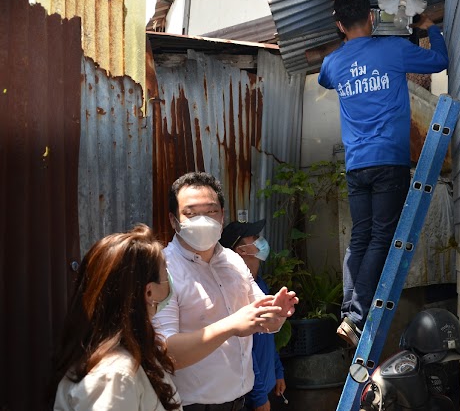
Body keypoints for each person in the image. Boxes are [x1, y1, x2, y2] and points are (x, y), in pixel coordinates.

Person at [318, 0, 449, 346]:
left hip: (356, 164)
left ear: (340, 25)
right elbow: (438, 61)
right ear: (372, 18)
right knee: (380, 237)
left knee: (360, 237)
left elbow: (324, 78)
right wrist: (429, 26)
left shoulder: (333, 63)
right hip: (389, 160)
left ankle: (350, 313)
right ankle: (357, 315)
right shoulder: (391, 51)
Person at [154, 172, 298, 411]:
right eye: (190, 213)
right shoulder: (163, 268)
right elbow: (165, 353)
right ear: (173, 220)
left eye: (211, 212)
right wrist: (231, 325)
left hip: (241, 401)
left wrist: (278, 313)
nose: (203, 220)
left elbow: (264, 321)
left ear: (221, 216)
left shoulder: (232, 259)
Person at [51, 224, 181, 410]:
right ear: (149, 292)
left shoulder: (127, 356)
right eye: (165, 273)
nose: (170, 280)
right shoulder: (115, 375)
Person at [221, 219, 286, 411]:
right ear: (241, 250)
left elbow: (267, 334)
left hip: (265, 387)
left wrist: (277, 371)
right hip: (249, 398)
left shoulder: (259, 284)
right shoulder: (236, 292)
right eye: (255, 237)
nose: (261, 241)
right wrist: (258, 397)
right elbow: (244, 351)